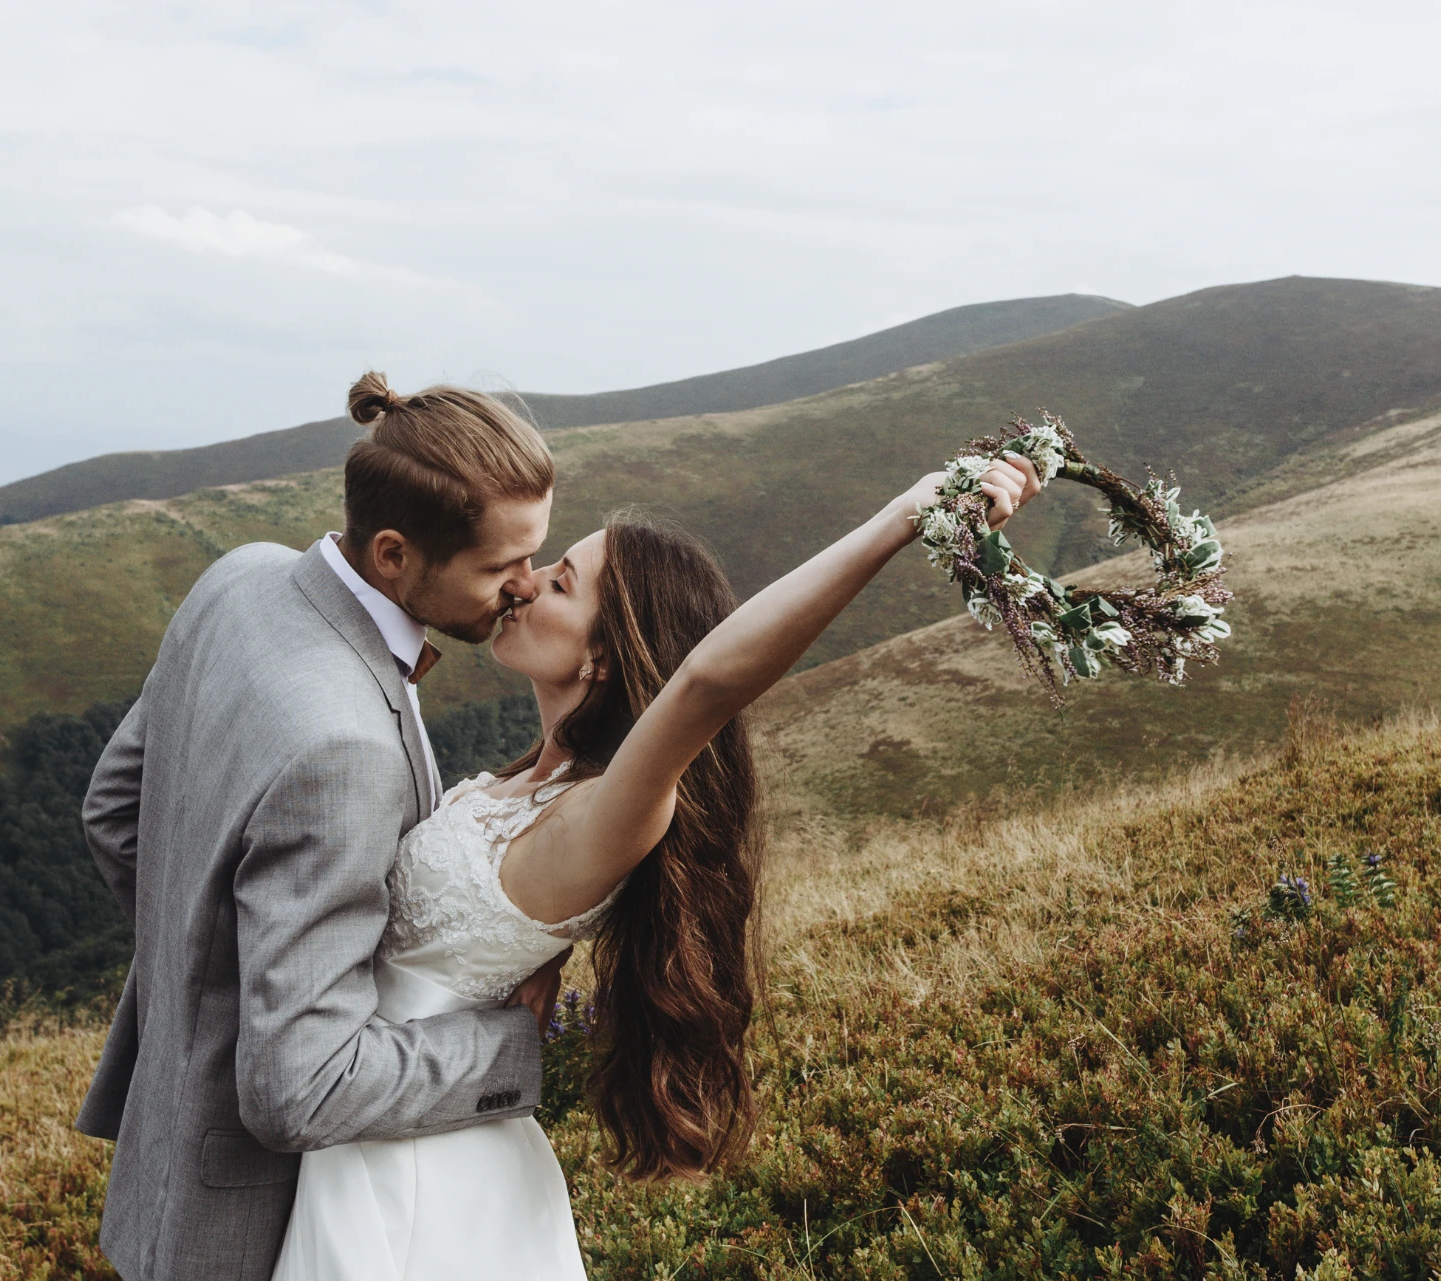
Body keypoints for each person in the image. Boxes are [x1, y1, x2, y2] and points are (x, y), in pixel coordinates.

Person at [270, 381, 1041, 1280]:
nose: (523, 582)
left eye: (559, 582)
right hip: (375, 1116)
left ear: (604, 653)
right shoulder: (516, 786)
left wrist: (905, 516)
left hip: (421, 1174)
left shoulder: (610, 809)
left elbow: (708, 683)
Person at [76, 373, 573, 1281]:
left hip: (165, 1175)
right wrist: (515, 1046)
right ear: (394, 554)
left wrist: (207, 978)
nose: (527, 586)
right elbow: (298, 1087)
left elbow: (113, 811)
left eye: (536, 554)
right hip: (260, 1225)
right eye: (501, 565)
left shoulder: (240, 576)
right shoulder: (344, 751)